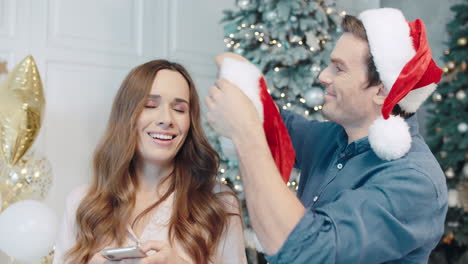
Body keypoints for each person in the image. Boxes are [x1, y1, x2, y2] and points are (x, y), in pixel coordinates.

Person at [206, 8, 448, 263]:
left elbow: (309, 252)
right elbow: (276, 121)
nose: (323, 76)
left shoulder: (415, 181)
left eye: (339, 69)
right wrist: (240, 77)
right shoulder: (332, 137)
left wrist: (246, 134)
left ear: (381, 90)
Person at [53, 60, 247, 264]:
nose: (166, 119)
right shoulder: (82, 202)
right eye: (150, 105)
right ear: (127, 115)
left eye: (180, 109)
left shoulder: (219, 203)